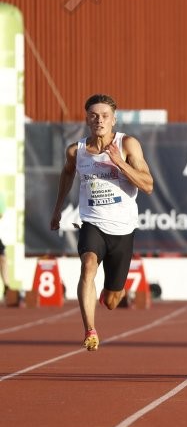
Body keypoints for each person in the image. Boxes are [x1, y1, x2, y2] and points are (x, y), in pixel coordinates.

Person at [50, 94, 155, 351]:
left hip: (122, 229)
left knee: (111, 300)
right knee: (87, 266)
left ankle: (104, 295)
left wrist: (119, 162)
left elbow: (149, 185)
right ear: (87, 119)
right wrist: (58, 208)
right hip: (92, 223)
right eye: (94, 116)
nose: (100, 120)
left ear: (114, 120)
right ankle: (90, 331)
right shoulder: (77, 151)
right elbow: (66, 173)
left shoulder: (128, 144)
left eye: (105, 116)